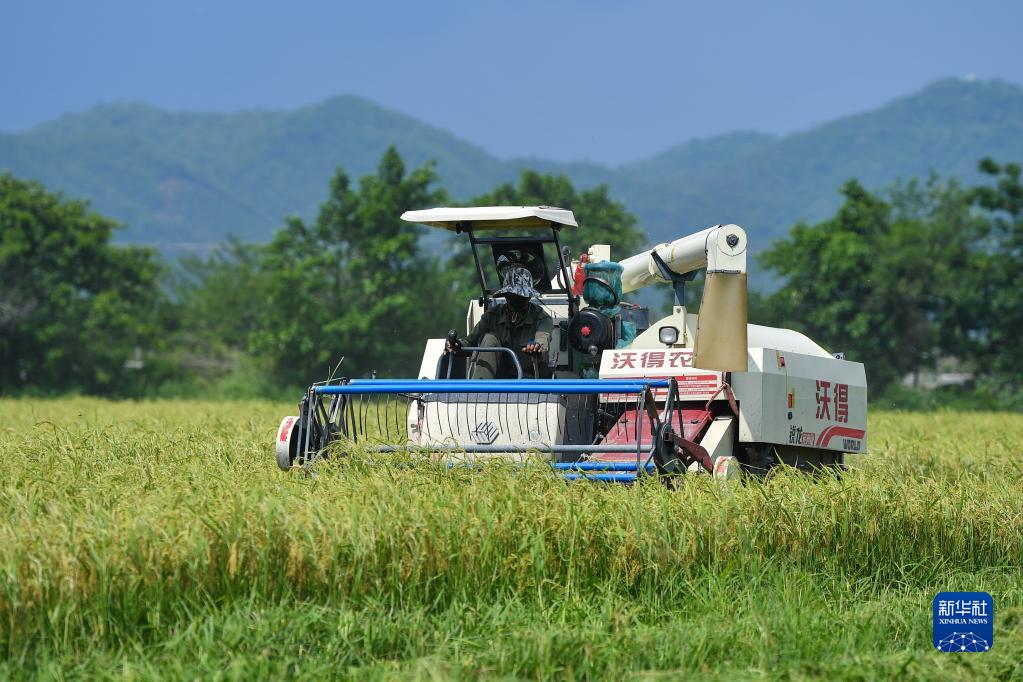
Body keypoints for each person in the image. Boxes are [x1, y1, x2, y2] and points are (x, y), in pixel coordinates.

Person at [447, 258, 554, 379]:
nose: (516, 301)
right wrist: (456, 345)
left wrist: (536, 347)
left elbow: (542, 341)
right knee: (489, 338)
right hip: (497, 380)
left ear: (529, 297)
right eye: (512, 297)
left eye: (521, 297)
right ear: (506, 296)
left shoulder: (541, 318)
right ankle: (479, 391)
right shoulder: (492, 316)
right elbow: (470, 343)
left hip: (528, 381)